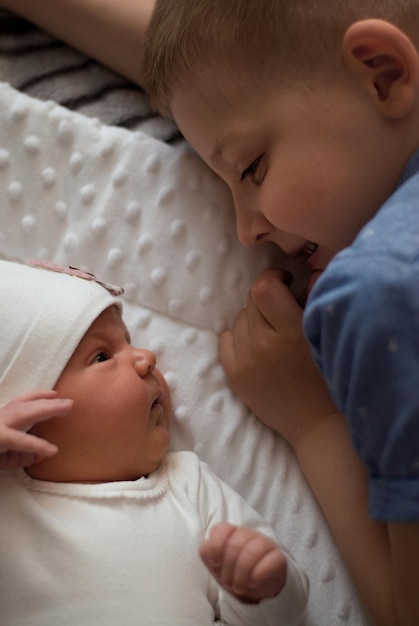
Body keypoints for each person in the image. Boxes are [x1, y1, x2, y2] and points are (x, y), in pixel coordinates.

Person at [1, 1, 416, 623]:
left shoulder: (374, 293)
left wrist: (312, 419)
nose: (246, 231)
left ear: (383, 73)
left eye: (251, 168)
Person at [0, 259, 308, 626]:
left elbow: (282, 614)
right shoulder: (8, 501)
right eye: (102, 356)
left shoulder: (188, 485)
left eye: (129, 342)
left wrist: (264, 589)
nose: (146, 357)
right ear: (26, 414)